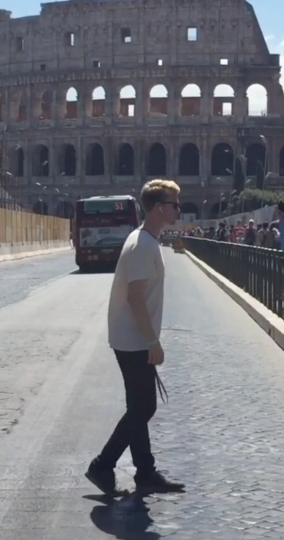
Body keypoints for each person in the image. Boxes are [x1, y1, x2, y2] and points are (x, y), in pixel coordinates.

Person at [86, 179, 185, 495]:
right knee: (144, 408)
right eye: (174, 204)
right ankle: (102, 464)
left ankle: (144, 472)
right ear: (159, 208)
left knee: (139, 406)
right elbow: (135, 297)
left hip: (127, 337)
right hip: (133, 340)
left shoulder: (142, 239)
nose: (178, 209)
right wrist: (151, 341)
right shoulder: (143, 245)